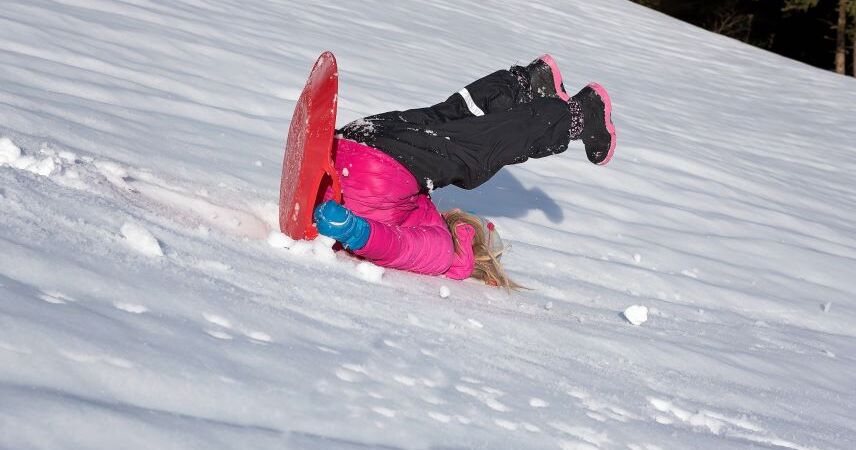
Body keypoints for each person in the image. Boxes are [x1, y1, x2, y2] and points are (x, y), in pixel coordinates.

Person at [312, 54, 616, 289]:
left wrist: (353, 230)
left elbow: (395, 246)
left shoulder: (444, 254)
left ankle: (566, 106)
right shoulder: (427, 223)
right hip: (355, 146)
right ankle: (531, 89)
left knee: (477, 143)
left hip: (374, 162)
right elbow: (396, 241)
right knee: (451, 124)